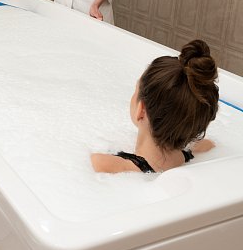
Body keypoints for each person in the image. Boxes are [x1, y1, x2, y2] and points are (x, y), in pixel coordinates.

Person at [91, 39, 219, 174]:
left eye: (135, 90)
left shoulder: (108, 164)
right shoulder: (197, 150)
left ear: (141, 110)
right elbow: (208, 144)